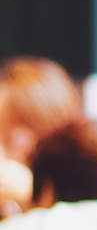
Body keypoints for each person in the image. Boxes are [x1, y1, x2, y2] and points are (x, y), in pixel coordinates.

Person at [0, 56, 83, 217]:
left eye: (27, 123)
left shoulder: (83, 179)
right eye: (8, 129)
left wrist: (32, 196)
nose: (20, 140)